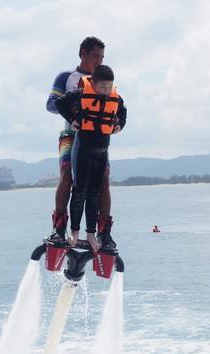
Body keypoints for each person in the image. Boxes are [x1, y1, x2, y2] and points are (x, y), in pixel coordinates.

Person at [45, 36, 115, 249]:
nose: (99, 61)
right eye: (96, 56)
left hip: (97, 140)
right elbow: (51, 104)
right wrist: (75, 109)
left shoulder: (104, 82)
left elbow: (116, 108)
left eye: (102, 57)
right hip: (71, 135)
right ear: (82, 54)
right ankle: (59, 229)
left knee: (103, 179)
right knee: (67, 174)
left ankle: (104, 233)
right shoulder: (66, 77)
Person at [54, 65, 127, 251]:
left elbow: (123, 111)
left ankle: (93, 234)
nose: (105, 91)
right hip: (82, 146)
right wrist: (73, 119)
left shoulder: (114, 96)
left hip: (102, 149)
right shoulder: (77, 87)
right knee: (79, 190)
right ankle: (70, 232)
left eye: (108, 87)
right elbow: (57, 103)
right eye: (102, 87)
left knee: (95, 192)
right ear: (93, 84)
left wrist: (120, 125)